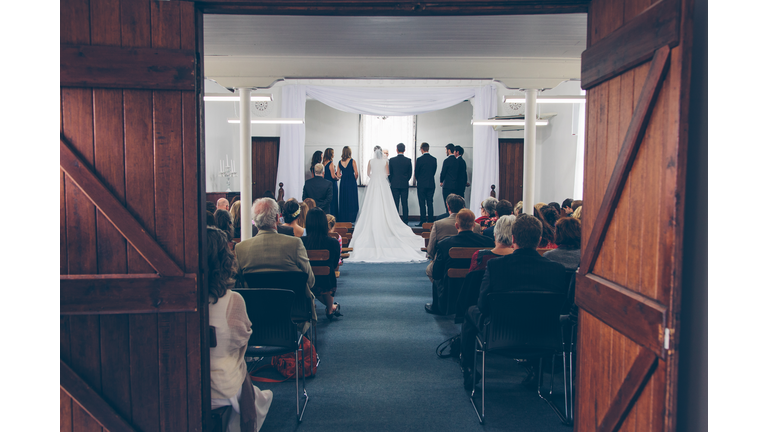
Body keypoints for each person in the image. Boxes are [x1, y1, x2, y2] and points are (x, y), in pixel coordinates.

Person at [459, 214, 571, 389]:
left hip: (500, 335)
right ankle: (536, 370)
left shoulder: (496, 266)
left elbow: (482, 305)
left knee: (470, 312)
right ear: (539, 239)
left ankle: (469, 369)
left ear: (513, 239)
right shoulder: (556, 269)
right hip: (543, 336)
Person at [207, 226, 273, 432]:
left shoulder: (177, 302)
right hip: (218, 387)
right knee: (240, 369)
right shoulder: (232, 300)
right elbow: (241, 339)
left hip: (182, 383)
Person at [235, 198, 317, 328]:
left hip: (255, 312)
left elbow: (238, 284)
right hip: (293, 310)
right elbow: (310, 280)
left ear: (255, 222)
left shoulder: (241, 248)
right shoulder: (294, 244)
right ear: (278, 218)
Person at [346, 146, 425, 263]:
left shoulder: (370, 161)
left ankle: (374, 222)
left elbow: (368, 173)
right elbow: (387, 173)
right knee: (386, 205)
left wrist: (374, 177)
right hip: (382, 184)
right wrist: (381, 176)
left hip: (373, 184)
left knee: (371, 204)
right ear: (381, 153)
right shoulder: (385, 161)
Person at [425, 209, 494, 315]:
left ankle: (437, 307)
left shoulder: (445, 244)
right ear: (474, 225)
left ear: (456, 225)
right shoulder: (488, 242)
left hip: (451, 288)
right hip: (477, 287)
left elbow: (436, 274)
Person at [425, 194, 483, 278]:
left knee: (430, 270)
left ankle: (441, 288)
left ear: (448, 207)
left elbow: (430, 250)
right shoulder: (476, 226)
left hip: (446, 266)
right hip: (471, 266)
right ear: (463, 206)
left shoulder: (439, 224)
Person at [302, 208, 343, 320]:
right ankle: (330, 308)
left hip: (306, 280)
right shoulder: (333, 242)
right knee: (327, 272)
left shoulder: (300, 242)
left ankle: (328, 306)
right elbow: (335, 264)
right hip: (327, 281)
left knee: (314, 278)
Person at [388, 143, 412, 224]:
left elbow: (389, 173)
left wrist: (392, 180)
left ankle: (395, 221)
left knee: (395, 203)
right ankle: (405, 221)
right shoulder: (408, 160)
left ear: (396, 149)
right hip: (404, 184)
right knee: (405, 203)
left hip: (394, 184)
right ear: (404, 150)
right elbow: (410, 174)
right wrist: (405, 180)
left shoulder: (391, 160)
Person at [414, 142, 437, 226]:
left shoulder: (419, 160)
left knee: (422, 203)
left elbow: (416, 172)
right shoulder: (434, 159)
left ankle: (423, 220)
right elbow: (434, 171)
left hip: (421, 184)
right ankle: (431, 220)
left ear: (422, 149)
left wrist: (419, 179)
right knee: (430, 202)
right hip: (431, 183)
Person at [337, 145, 359, 223]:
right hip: (351, 182)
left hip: (343, 182)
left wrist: (343, 176)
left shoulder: (340, 162)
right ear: (350, 152)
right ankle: (352, 219)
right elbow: (356, 173)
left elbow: (338, 175)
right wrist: (353, 180)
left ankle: (344, 219)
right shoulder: (353, 161)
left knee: (344, 199)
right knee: (352, 200)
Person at [439, 143, 458, 208]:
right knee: (454, 205)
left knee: (447, 204)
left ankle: (448, 217)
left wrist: (441, 181)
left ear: (449, 150)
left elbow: (443, 172)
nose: (445, 152)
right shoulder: (457, 161)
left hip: (447, 185)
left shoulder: (447, 161)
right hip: (455, 186)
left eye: (446, 150)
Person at [323, 148, 340, 216]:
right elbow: (333, 176)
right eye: (333, 153)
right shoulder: (331, 163)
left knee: (327, 200)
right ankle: (333, 216)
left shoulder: (323, 163)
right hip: (332, 184)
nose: (334, 154)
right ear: (330, 154)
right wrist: (338, 177)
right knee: (333, 200)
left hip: (325, 183)